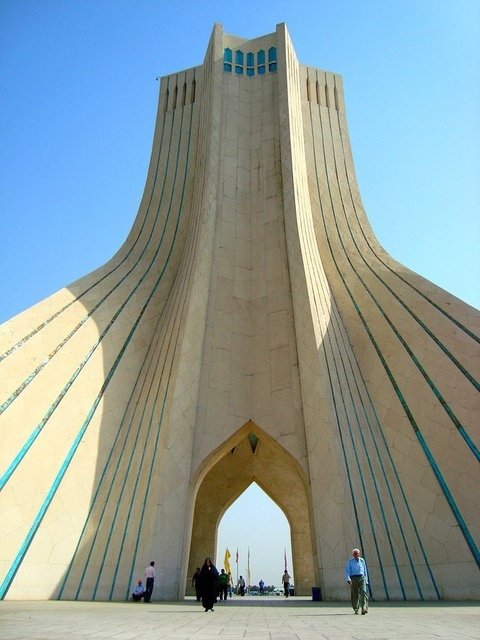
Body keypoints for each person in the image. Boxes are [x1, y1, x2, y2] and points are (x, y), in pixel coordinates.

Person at [344, 548, 369, 614]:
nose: (356, 555)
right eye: (355, 554)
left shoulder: (362, 560)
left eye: (357, 553)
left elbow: (365, 570)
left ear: (359, 554)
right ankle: (356, 608)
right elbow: (347, 571)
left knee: (363, 592)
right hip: (353, 578)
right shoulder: (350, 561)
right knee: (355, 594)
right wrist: (348, 579)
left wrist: (366, 580)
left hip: (362, 577)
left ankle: (363, 608)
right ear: (353, 555)